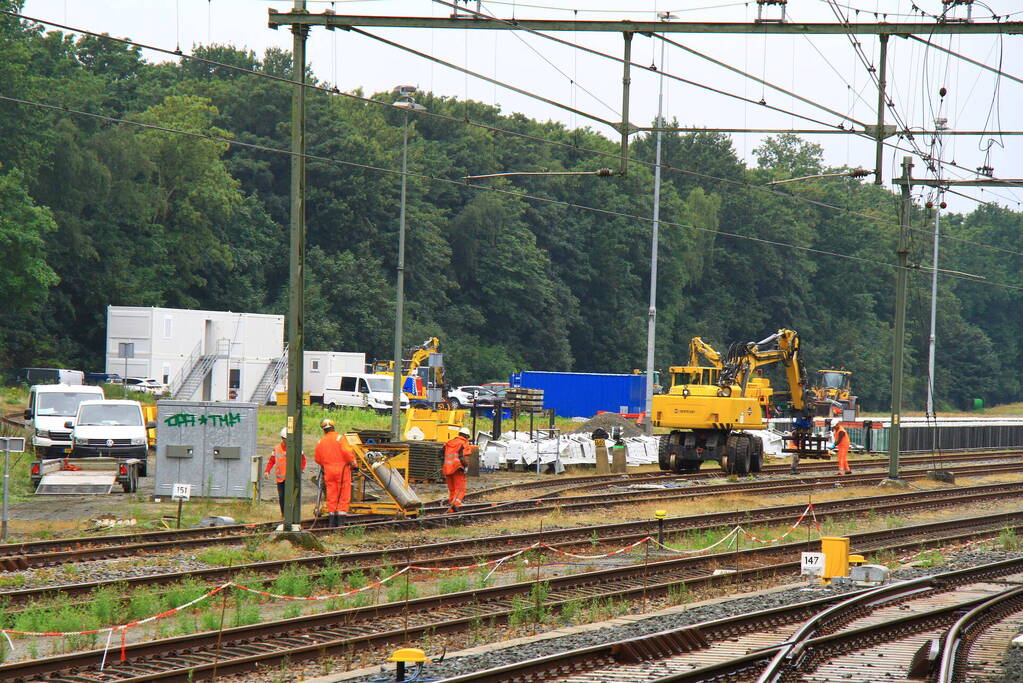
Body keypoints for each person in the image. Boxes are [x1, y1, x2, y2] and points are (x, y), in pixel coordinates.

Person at [314, 418, 357, 527]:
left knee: (331, 495)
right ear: (333, 427)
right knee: (343, 494)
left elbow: (317, 459)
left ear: (324, 430)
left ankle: (332, 523)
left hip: (329, 471)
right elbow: (347, 452)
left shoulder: (321, 441)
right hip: (342, 471)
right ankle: (341, 523)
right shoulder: (340, 438)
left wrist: (327, 464)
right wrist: (354, 464)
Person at [264, 428, 307, 520]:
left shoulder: (297, 447)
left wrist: (300, 469)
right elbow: (271, 461)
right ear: (282, 438)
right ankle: (284, 515)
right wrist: (267, 471)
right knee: (282, 497)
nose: (287, 441)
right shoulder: (276, 448)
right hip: (281, 479)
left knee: (292, 497)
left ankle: (292, 515)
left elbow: (303, 460)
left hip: (292, 478)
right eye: (285, 439)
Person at [442, 427, 472, 513]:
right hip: (457, 469)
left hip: (447, 469)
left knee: (452, 489)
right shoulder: (464, 443)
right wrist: (466, 466)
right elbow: (464, 457)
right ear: (467, 436)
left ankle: (451, 506)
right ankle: (454, 506)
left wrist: (445, 465)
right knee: (460, 489)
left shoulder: (449, 443)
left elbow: (440, 455)